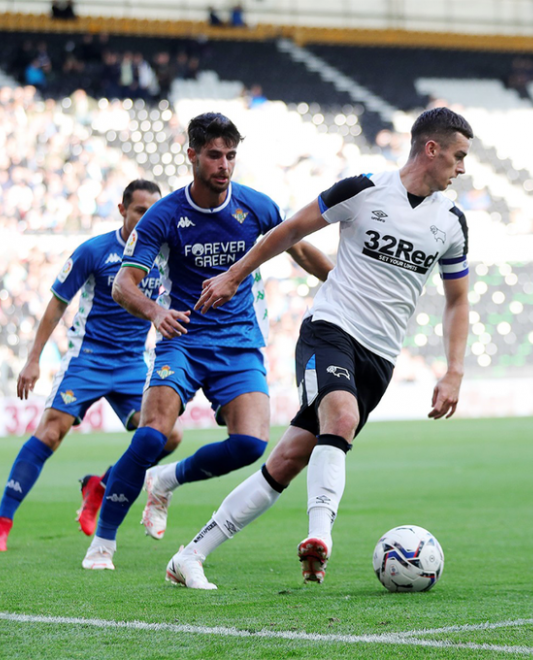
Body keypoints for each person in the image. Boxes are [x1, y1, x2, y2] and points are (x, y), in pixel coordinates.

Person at [162, 106, 473, 589]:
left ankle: (191, 555)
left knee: (285, 462)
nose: (461, 168)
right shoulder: (363, 189)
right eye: (457, 156)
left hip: (380, 357)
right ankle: (319, 539)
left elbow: (457, 300)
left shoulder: (452, 223)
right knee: (341, 418)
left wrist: (454, 370)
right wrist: (231, 275)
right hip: (329, 329)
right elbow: (288, 231)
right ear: (431, 149)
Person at [81, 112, 332, 571]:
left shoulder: (257, 207)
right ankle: (103, 541)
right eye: (214, 155)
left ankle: (166, 481)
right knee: (151, 434)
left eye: (231, 155)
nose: (224, 165)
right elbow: (123, 285)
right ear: (192, 155)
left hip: (238, 342)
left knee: (252, 444)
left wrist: (344, 282)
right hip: (182, 337)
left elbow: (301, 251)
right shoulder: (164, 215)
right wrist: (156, 312)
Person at [0, 180, 182, 552]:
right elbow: (58, 303)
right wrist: (33, 359)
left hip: (132, 365)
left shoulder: (163, 252)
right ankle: (1, 524)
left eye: (154, 210)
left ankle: (102, 486)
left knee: (168, 436)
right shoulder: (94, 251)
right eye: (141, 210)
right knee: (49, 434)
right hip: (87, 359)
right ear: (123, 210)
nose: (148, 217)